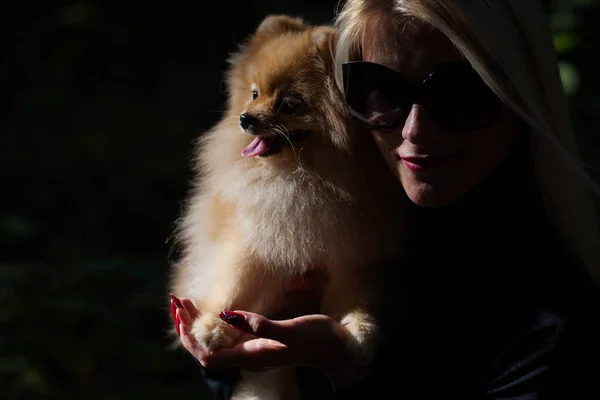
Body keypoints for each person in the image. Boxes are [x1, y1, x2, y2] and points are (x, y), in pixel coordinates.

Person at [171, 0, 600, 398]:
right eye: (379, 90)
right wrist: (243, 352)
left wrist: (345, 372)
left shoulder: (554, 325)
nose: (415, 131)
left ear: (520, 95)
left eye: (457, 93)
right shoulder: (354, 201)